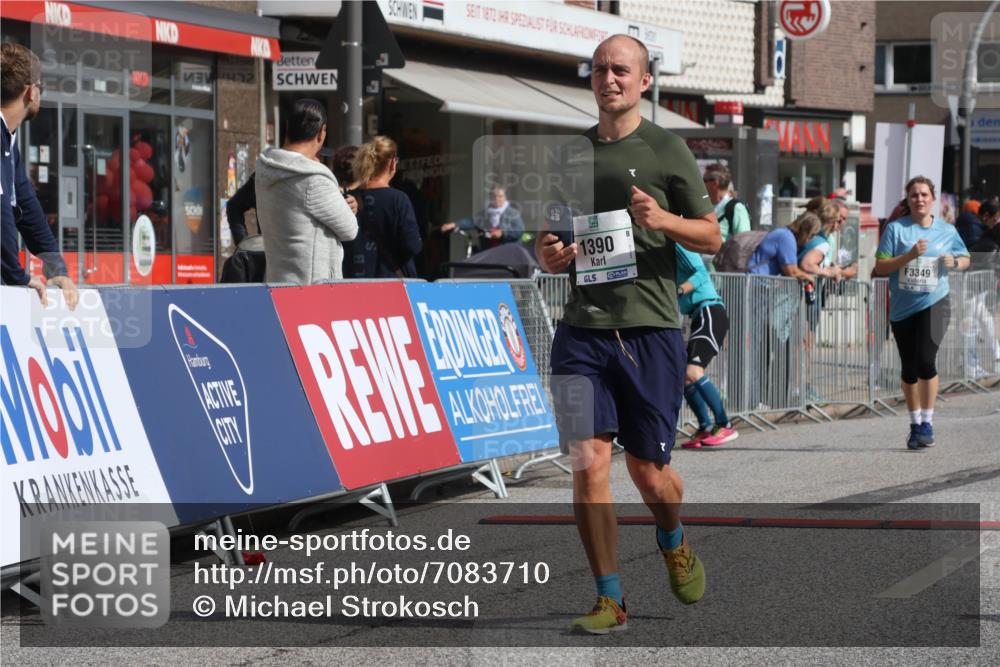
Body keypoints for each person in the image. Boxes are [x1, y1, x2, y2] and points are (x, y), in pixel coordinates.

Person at [536, 34, 720, 634]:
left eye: (620, 69)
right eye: (598, 69)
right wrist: (550, 254)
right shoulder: (570, 154)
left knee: (647, 472)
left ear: (644, 81)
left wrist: (662, 219)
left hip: (651, 330)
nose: (608, 78)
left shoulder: (669, 149)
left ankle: (673, 537)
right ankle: (610, 598)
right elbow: (551, 238)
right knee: (588, 462)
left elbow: (711, 237)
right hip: (582, 330)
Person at [873, 176, 970, 450]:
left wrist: (955, 262)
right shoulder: (896, 230)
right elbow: (880, 267)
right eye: (914, 195)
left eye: (924, 194)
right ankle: (915, 425)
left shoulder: (946, 231)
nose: (920, 199)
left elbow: (965, 258)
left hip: (936, 302)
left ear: (933, 198)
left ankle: (928, 422)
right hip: (904, 308)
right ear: (908, 200)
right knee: (909, 368)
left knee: (926, 361)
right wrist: (909, 256)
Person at [1, 43, 77, 308]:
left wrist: (57, 269)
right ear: (31, 91)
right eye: (41, 89)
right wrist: (16, 278)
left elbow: (26, 206)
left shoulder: (8, 141)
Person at [255, 99, 358, 285]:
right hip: (312, 289)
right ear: (322, 133)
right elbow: (350, 229)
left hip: (277, 282)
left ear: (287, 128)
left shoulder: (266, 169)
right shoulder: (313, 179)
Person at [227, 146, 358, 247]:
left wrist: (348, 207)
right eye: (317, 155)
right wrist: (246, 245)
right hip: (277, 263)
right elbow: (234, 206)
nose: (319, 161)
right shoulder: (268, 175)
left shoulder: (322, 183)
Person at [675, 244, 737, 448]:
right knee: (684, 376)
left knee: (693, 372)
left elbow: (701, 272)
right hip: (696, 315)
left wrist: (680, 290)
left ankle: (724, 424)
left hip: (709, 311)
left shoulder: (677, 244)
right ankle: (705, 427)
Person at [342, 136, 422, 278]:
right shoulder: (399, 200)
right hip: (392, 285)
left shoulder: (348, 199)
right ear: (392, 163)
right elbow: (412, 246)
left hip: (353, 283)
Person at [440, 186, 524, 253]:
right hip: (488, 251)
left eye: (500, 196)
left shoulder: (513, 213)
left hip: (508, 252)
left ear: (505, 197)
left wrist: (503, 233)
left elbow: (519, 230)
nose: (497, 199)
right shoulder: (485, 214)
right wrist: (454, 224)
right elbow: (471, 221)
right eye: (494, 196)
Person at [703, 163, 750, 243]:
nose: (702, 184)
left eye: (704, 180)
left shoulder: (736, 208)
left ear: (715, 183)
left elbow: (744, 243)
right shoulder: (706, 207)